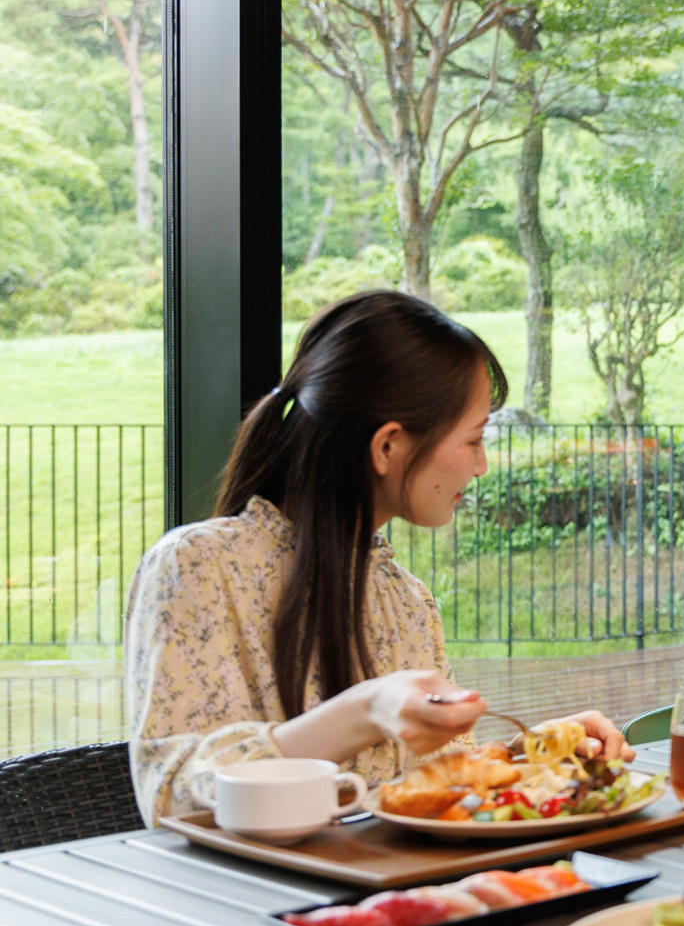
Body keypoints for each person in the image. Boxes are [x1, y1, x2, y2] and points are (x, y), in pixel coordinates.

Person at [125, 291, 629, 824]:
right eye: (474, 440)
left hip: (402, 889)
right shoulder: (198, 567)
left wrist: (536, 751)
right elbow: (172, 797)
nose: (480, 467)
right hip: (258, 903)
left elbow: (431, 786)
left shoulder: (407, 600)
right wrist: (366, 710)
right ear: (388, 446)